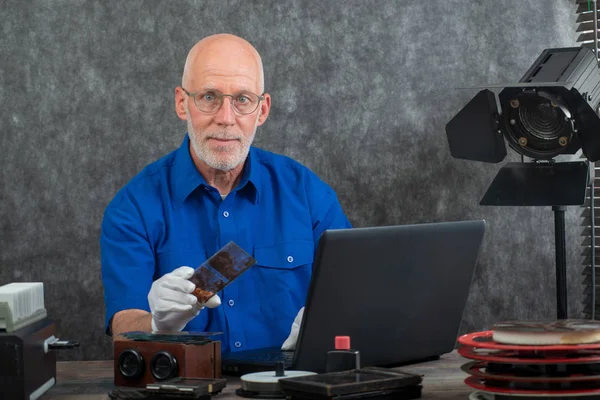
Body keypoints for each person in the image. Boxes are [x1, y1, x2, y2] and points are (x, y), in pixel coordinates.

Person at [100, 33, 351, 353]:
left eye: (243, 99)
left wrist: (331, 324)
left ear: (262, 110)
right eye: (208, 97)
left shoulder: (307, 194)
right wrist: (153, 325)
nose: (226, 118)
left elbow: (353, 292)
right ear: (182, 103)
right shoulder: (132, 208)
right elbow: (124, 326)